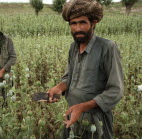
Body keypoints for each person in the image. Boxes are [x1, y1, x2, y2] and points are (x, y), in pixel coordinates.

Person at [47, 0, 124, 138]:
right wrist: (59, 87)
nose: (77, 29)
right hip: (72, 115)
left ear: (93, 23)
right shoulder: (73, 47)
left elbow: (116, 91)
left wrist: (82, 107)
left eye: (82, 23)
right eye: (73, 24)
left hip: (96, 121)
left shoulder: (107, 48)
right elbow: (69, 77)